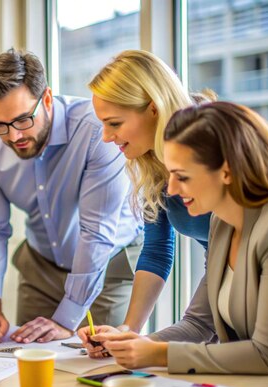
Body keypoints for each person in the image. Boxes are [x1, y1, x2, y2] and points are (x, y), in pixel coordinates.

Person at [79, 102, 268, 376]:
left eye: (182, 176)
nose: (172, 189)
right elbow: (198, 325)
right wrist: (132, 344)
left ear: (226, 171)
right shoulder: (221, 225)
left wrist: (158, 354)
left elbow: (267, 356)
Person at [0, 49, 142, 345]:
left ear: (47, 99)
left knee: (102, 369)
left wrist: (66, 320)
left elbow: (97, 232)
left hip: (108, 266)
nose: (13, 137)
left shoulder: (96, 130)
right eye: (0, 124)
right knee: (25, 360)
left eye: (23, 120)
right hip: (40, 267)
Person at [89, 50, 212, 333]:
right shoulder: (152, 162)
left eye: (114, 123)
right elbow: (156, 250)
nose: (106, 137)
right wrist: (128, 330)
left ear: (153, 107)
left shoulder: (212, 152)